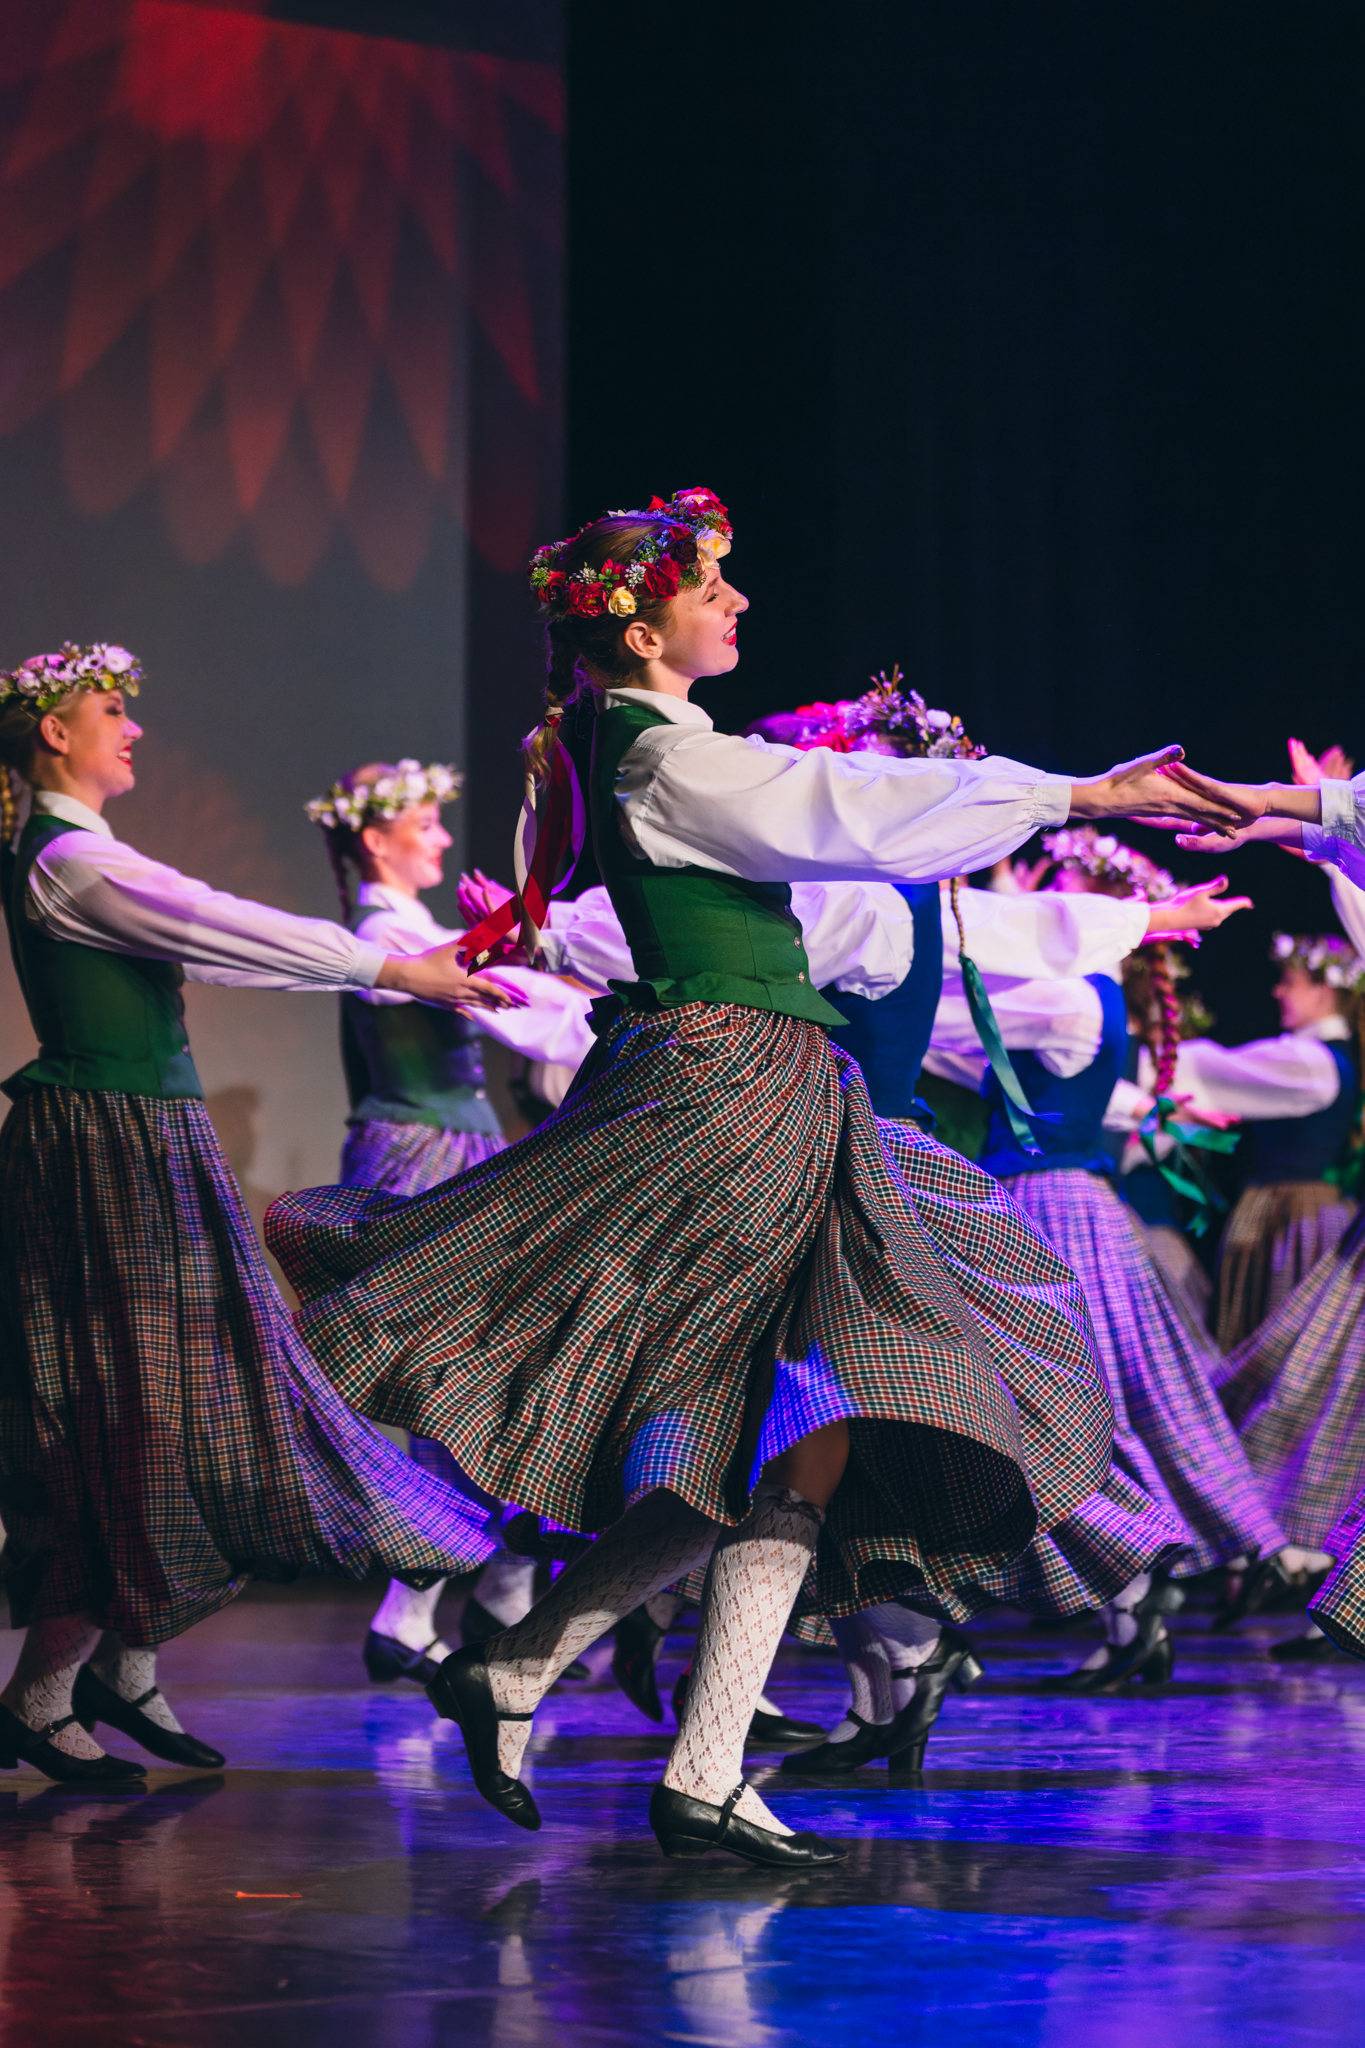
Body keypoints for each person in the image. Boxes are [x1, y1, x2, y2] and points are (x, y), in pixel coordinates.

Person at [263, 488, 1250, 1866]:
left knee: (800, 1433)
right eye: (711, 587)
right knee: (780, 1420)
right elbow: (842, 807)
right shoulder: (666, 756)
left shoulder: (649, 747)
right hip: (729, 1084)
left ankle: (615, 1714)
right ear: (639, 624)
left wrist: (1117, 894)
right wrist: (1080, 793)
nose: (736, 603)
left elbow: (897, 860)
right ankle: (596, 1695)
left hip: (769, 1085)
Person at [0, 644, 512, 1784]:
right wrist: (392, 968)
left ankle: (118, 1663)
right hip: (110, 1142)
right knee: (139, 1409)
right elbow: (222, 925)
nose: (132, 726)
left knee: (174, 1400)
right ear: (55, 734)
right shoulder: (70, 858)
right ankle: (48, 1689)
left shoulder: (77, 851)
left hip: (143, 1134)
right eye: (111, 709)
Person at [929, 826, 1309, 1684]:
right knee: (1106, 1393)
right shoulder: (1082, 996)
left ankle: (1140, 1573)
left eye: (1059, 905)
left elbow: (943, 1014)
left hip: (1046, 1204)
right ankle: (1139, 1600)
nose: (1045, 913)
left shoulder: (1064, 998)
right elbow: (962, 1037)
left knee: (1075, 1397)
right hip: (1070, 1201)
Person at [307, 759, 597, 1689]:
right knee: (448, 1379)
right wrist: (538, 952)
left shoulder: (414, 928)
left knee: (479, 1374)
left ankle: (482, 1593)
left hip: (457, 1150)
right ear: (375, 839)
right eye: (425, 824)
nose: (439, 838)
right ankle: (433, 1603)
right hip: (420, 1155)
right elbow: (510, 998)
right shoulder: (385, 931)